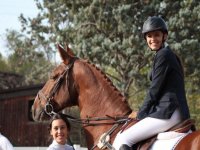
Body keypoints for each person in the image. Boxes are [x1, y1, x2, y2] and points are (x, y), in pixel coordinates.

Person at [113, 16, 190, 150]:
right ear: (146, 39)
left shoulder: (164, 55)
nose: (153, 39)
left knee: (123, 138)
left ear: (164, 36)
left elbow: (154, 90)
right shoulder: (165, 54)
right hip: (174, 110)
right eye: (149, 36)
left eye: (156, 35)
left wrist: (141, 114)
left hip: (168, 111)